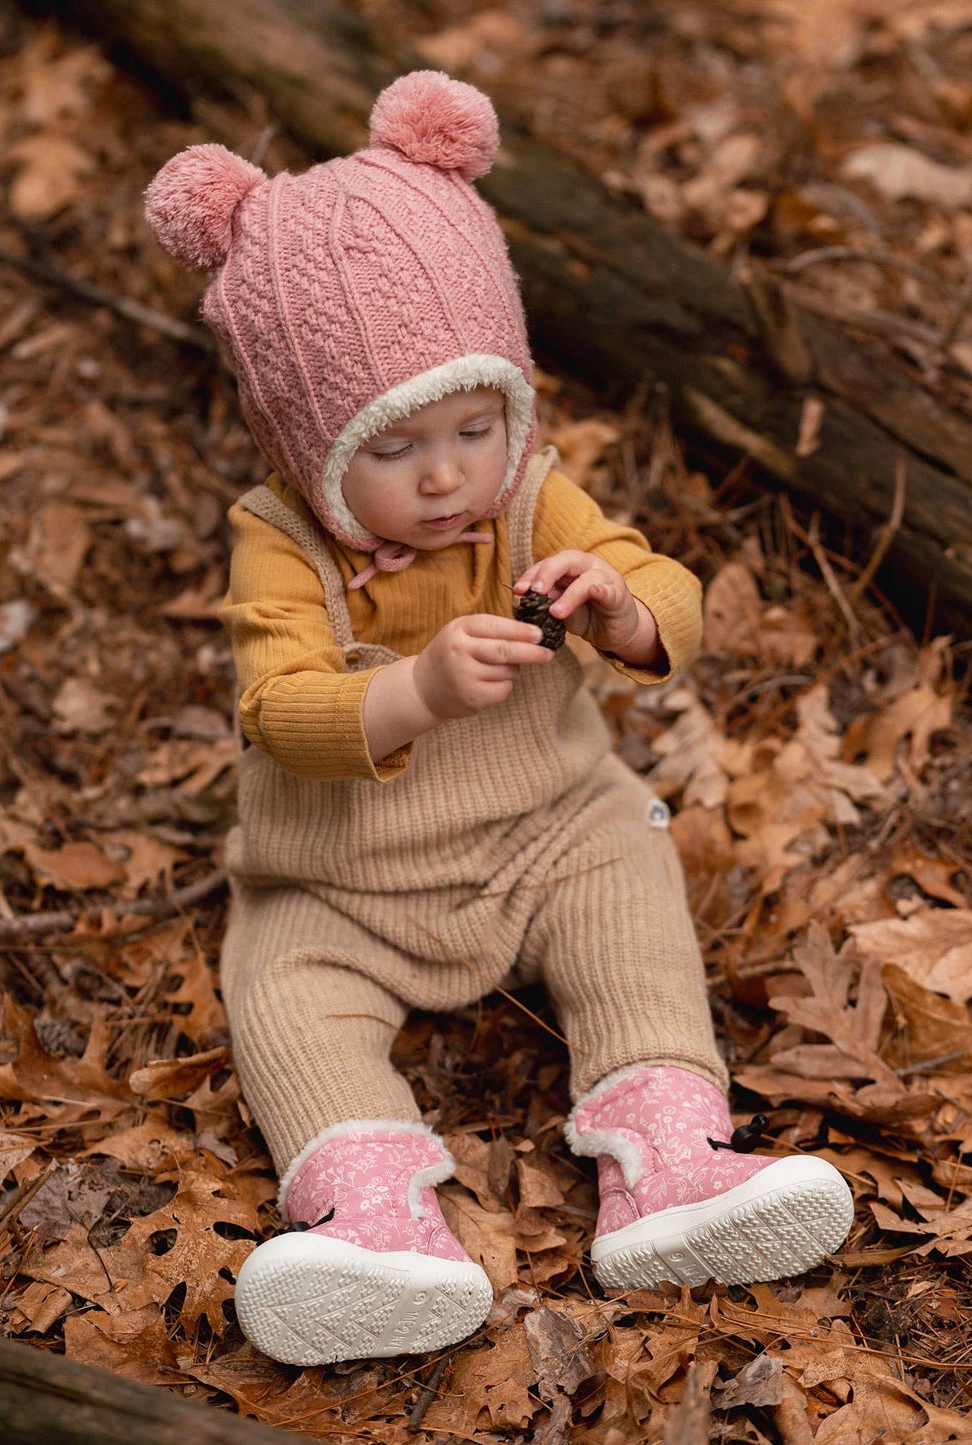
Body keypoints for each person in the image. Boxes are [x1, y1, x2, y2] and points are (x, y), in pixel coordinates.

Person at [145, 70, 853, 1368]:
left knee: (626, 866)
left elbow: (674, 595)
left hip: (543, 832)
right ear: (307, 445)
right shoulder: (277, 539)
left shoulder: (528, 490)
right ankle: (371, 1214)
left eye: (476, 424)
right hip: (342, 879)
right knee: (277, 986)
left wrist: (624, 607)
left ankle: (669, 1150)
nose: (447, 474)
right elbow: (274, 706)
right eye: (394, 447)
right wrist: (408, 690)